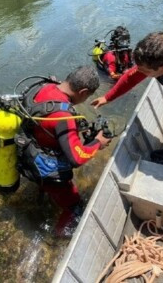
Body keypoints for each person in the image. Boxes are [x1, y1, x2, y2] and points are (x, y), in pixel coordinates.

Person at [18, 66, 111, 236]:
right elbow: (77, 158)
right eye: (88, 96)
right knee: (76, 206)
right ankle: (59, 235)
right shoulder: (64, 116)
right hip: (46, 170)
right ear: (83, 92)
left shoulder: (45, 86)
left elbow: (48, 126)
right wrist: (98, 142)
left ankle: (40, 199)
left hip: (26, 153)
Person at [91, 31, 163, 109]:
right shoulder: (154, 64)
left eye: (145, 71)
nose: (138, 71)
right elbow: (131, 78)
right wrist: (107, 98)